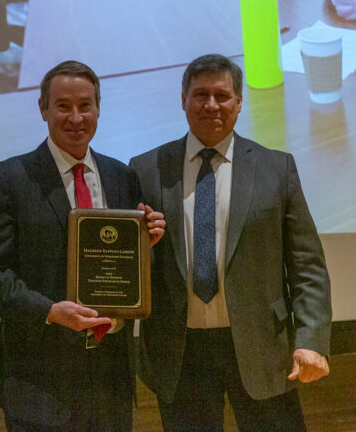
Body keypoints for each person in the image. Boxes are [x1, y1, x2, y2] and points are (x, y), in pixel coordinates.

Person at [129, 54, 332, 431]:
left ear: (239, 103)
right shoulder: (145, 169)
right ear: (183, 100)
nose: (211, 105)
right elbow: (135, 266)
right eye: (200, 94)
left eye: (222, 96)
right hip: (178, 350)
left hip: (262, 344)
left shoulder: (276, 167)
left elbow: (307, 265)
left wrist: (311, 339)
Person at [0, 60, 166, 431]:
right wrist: (49, 311)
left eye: (85, 105)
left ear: (98, 109)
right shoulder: (9, 178)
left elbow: (124, 271)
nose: (76, 117)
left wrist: (145, 246)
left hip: (111, 378)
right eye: (63, 106)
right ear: (43, 109)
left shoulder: (121, 176)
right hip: (39, 381)